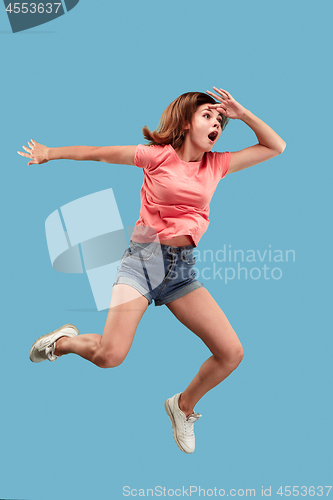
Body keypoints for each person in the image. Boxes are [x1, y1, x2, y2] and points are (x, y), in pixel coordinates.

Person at [18, 87, 286, 454]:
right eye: (208, 115)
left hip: (181, 272)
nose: (217, 124)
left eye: (220, 120)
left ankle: (183, 406)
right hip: (143, 261)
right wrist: (50, 153)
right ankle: (61, 342)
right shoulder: (156, 157)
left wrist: (243, 114)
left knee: (231, 353)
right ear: (186, 120)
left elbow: (275, 147)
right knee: (109, 356)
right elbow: (98, 155)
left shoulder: (217, 164)